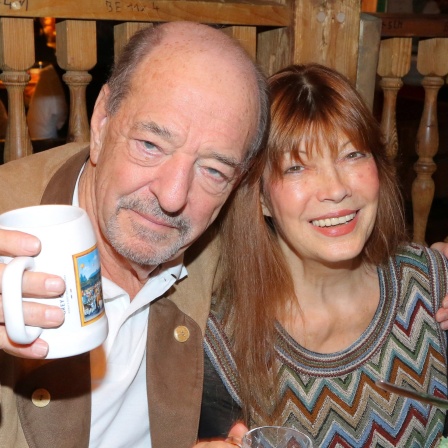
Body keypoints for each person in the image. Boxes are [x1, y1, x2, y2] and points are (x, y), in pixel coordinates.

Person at [0, 22, 269, 448]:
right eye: (150, 145)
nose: (173, 196)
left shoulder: (220, 242)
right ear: (103, 121)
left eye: (214, 170)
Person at [197, 64, 448, 447]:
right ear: (260, 197)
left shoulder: (432, 289)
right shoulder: (220, 347)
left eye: (352, 156)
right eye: (297, 167)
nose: (335, 189)